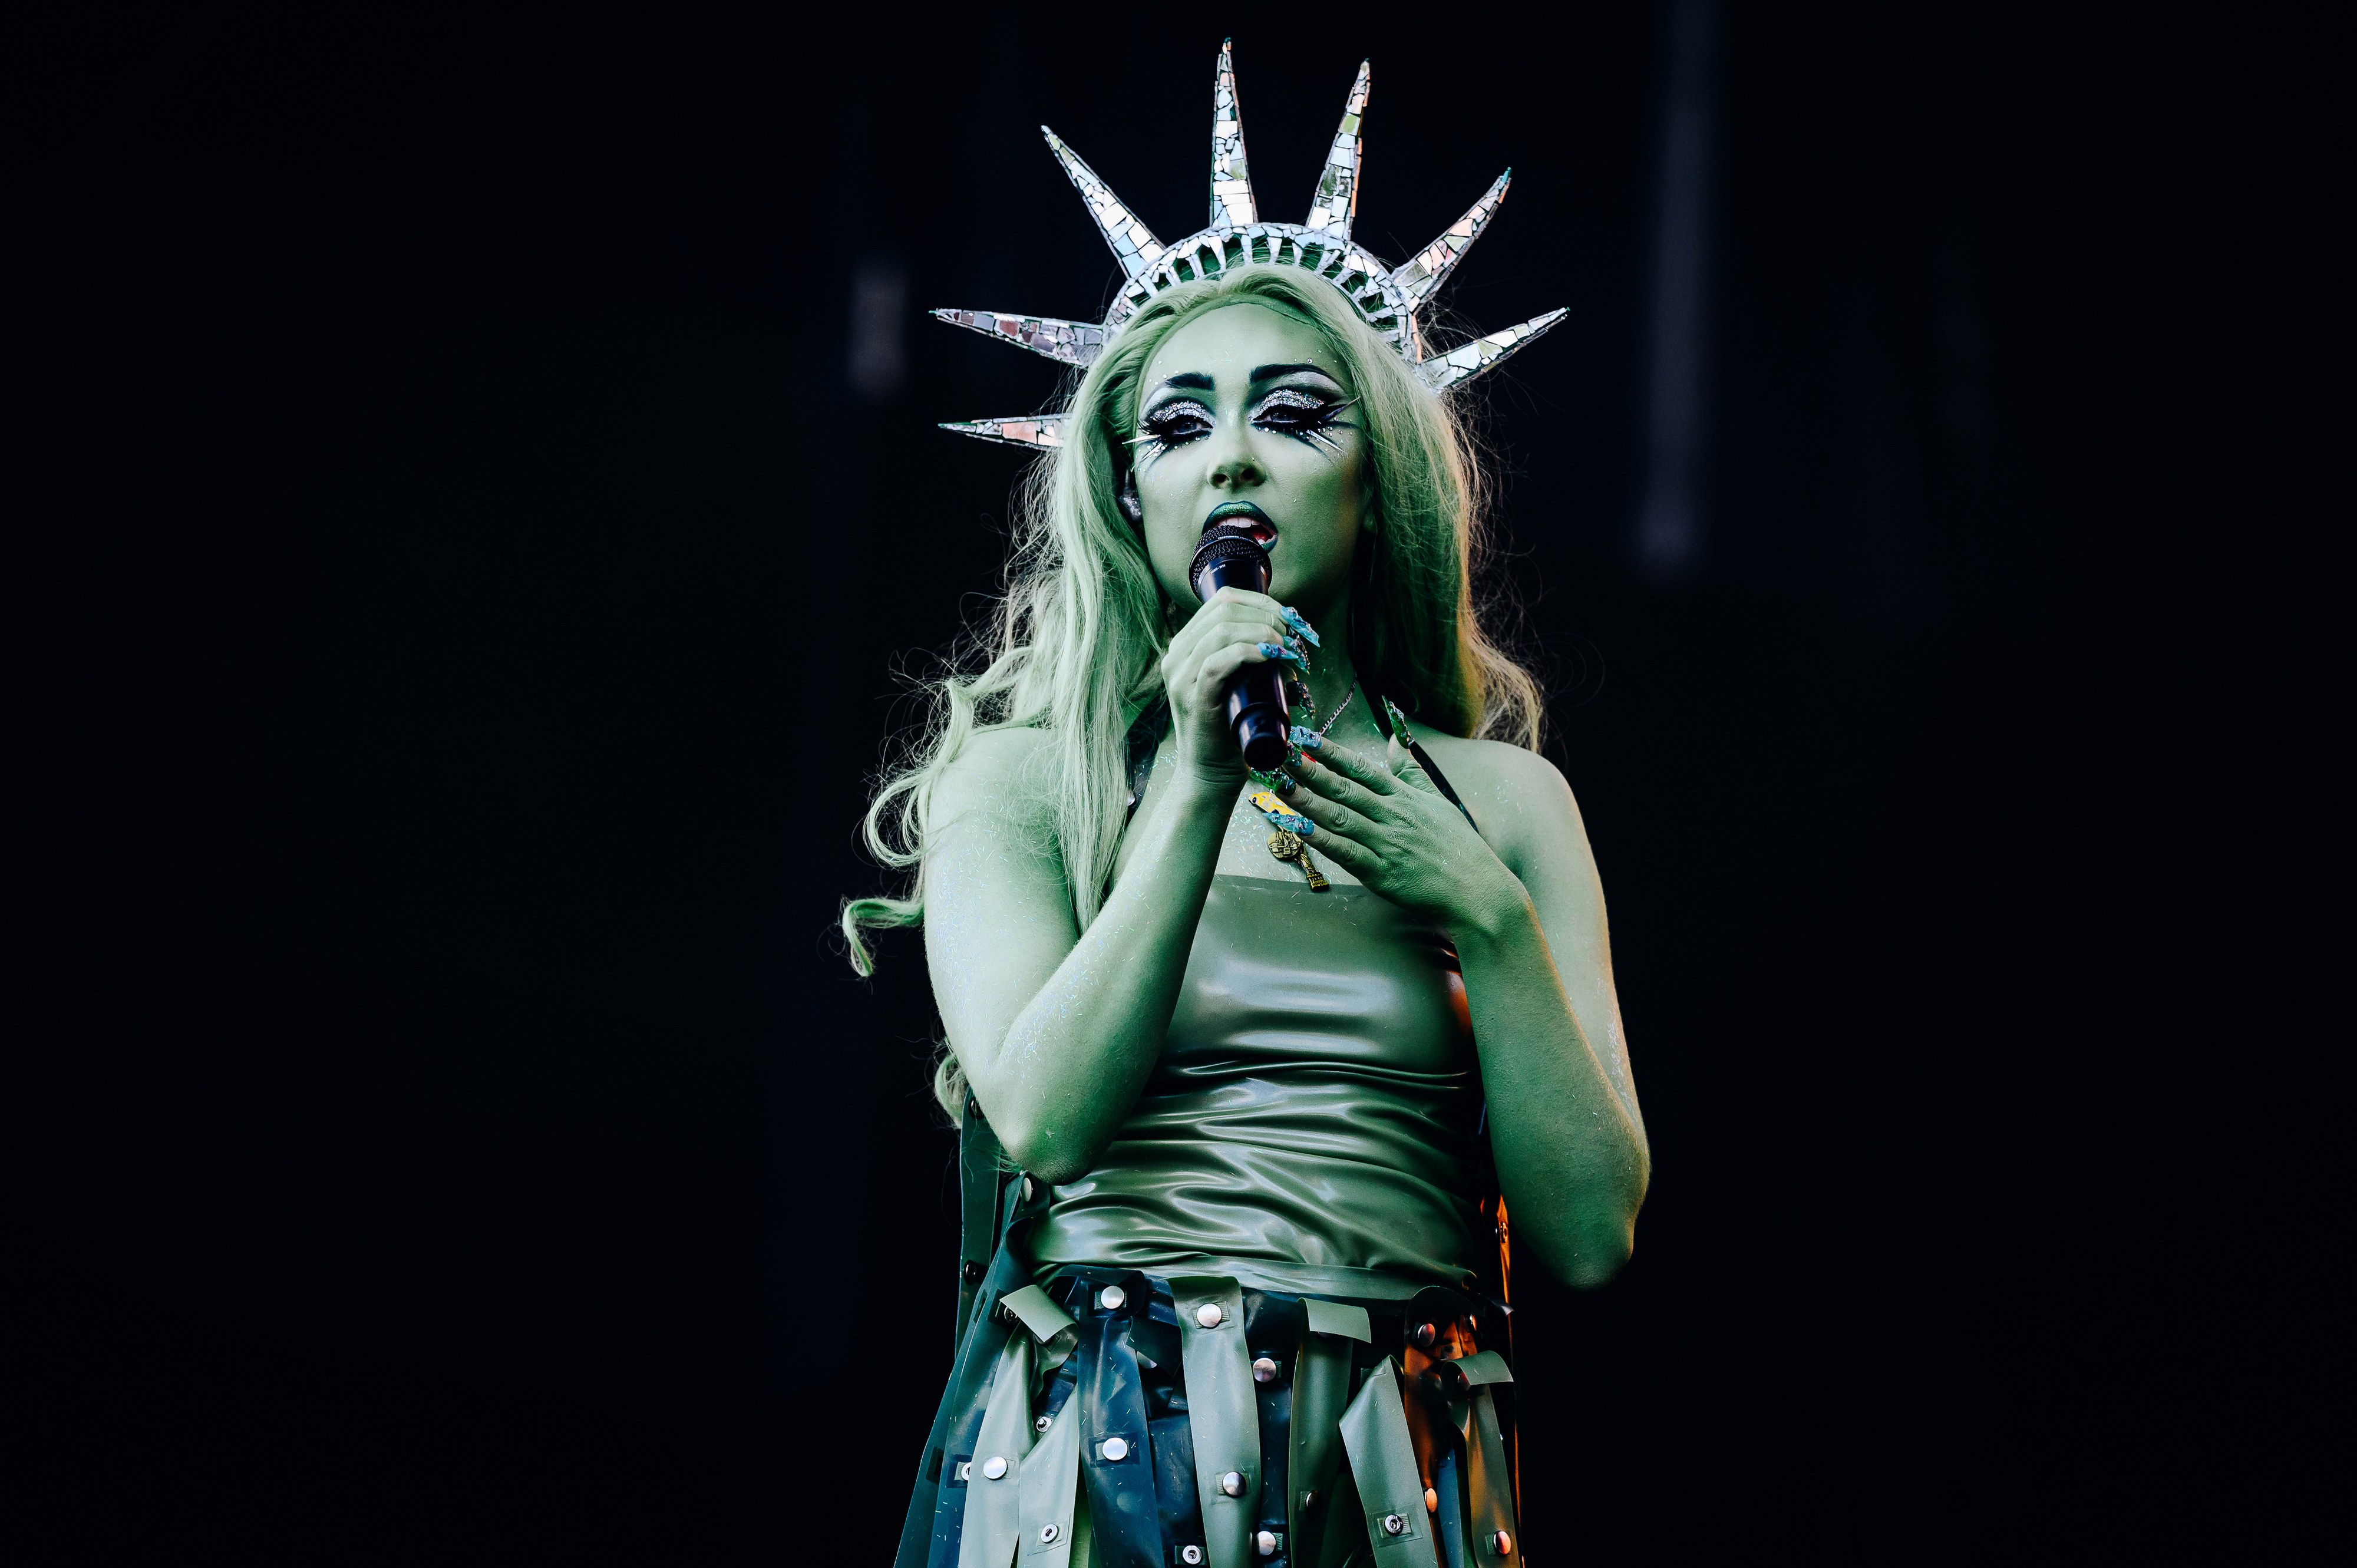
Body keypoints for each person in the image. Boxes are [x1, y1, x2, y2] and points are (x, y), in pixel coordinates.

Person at [846, 47, 1648, 1568]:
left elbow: (1593, 1235)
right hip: (1096, 1446)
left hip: (1401, 1461)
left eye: (1292, 414)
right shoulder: (1024, 779)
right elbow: (1050, 1118)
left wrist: (1480, 905)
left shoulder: (1508, 802)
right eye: (1175, 425)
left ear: (1374, 479)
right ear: (1124, 492)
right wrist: (1198, 779)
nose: (1230, 455)